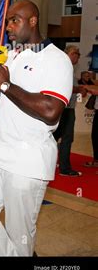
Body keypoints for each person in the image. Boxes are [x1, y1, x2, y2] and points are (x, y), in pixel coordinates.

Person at [0, 0, 73, 256]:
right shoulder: (10, 56)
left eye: (15, 20)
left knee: (19, 236)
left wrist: (6, 86)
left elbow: (50, 110)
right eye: (7, 20)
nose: (8, 27)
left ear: (33, 21)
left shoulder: (57, 60)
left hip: (27, 160)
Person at [53, 45, 86, 177]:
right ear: (67, 54)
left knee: (54, 137)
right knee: (67, 138)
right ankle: (64, 169)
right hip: (65, 109)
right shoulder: (64, 67)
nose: (77, 55)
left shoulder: (67, 67)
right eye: (74, 53)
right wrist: (79, 89)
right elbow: (65, 87)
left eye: (78, 53)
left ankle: (54, 162)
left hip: (65, 108)